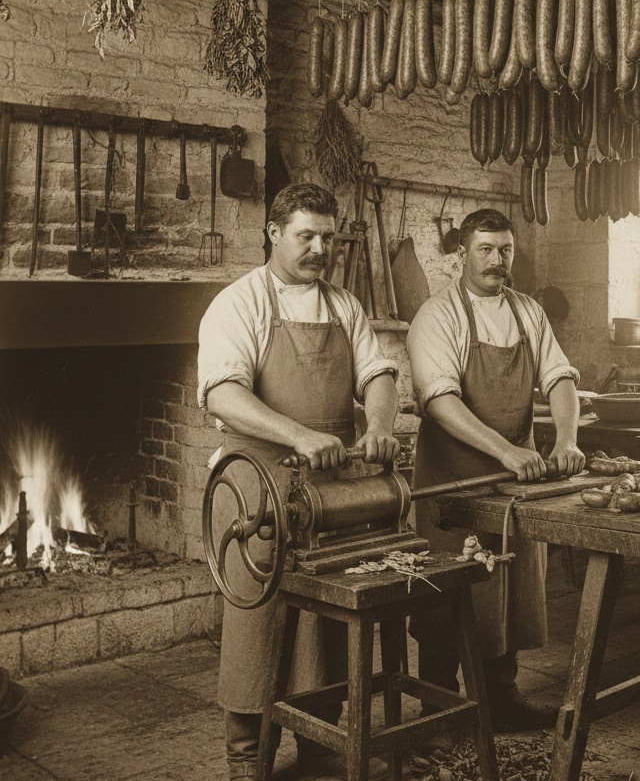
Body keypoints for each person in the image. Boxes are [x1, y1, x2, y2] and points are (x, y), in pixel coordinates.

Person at [198, 182, 400, 781]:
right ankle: (245, 758)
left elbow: (379, 373)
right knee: (258, 629)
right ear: (273, 235)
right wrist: (298, 435)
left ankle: (319, 746)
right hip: (257, 487)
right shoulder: (239, 303)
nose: (319, 249)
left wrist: (381, 426)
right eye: (305, 236)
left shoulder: (344, 305)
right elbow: (224, 393)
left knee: (328, 627)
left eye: (328, 237)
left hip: (332, 489)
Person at [406, 207, 586, 734]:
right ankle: (438, 705)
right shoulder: (437, 316)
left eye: (505, 249)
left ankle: (500, 697)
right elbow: (440, 400)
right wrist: (506, 450)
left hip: (516, 483)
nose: (496, 260)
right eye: (485, 249)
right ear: (462, 254)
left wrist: (567, 439)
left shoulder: (528, 311)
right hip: (451, 477)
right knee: (447, 590)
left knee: (507, 588)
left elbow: (560, 378)